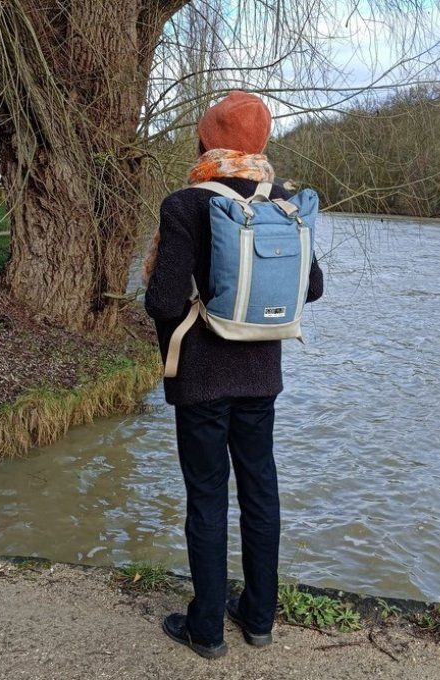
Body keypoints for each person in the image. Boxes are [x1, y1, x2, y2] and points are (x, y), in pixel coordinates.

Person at [143, 90, 324, 659]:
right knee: (260, 489)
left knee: (206, 496)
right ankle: (259, 617)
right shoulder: (286, 202)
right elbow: (312, 288)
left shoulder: (186, 203)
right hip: (260, 374)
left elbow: (163, 299)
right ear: (262, 143)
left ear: (207, 139)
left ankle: (207, 629)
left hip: (200, 375)